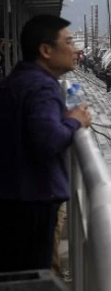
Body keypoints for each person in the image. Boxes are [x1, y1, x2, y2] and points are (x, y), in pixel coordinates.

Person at [0, 15, 91, 273]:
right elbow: (49, 139)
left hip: (12, 197)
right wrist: (75, 121)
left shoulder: (18, 80)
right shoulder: (43, 88)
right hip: (32, 203)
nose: (75, 49)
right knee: (32, 273)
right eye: (69, 42)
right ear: (46, 50)